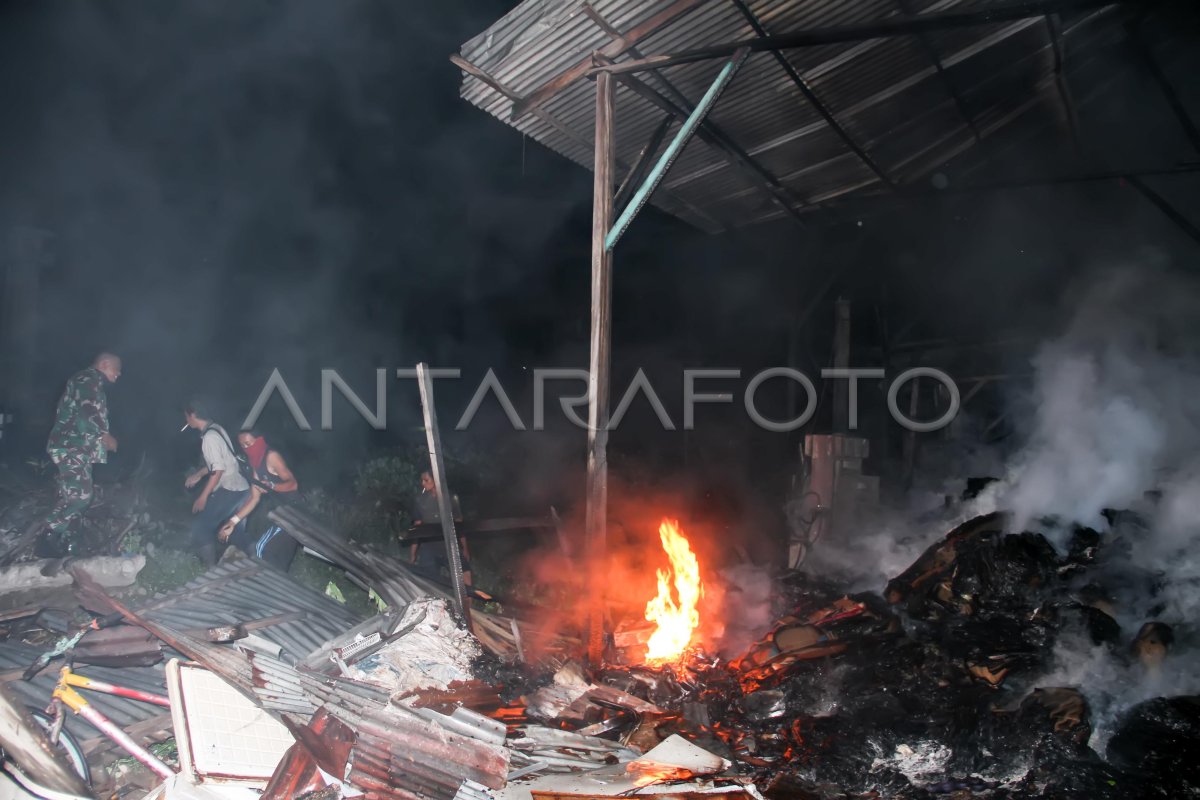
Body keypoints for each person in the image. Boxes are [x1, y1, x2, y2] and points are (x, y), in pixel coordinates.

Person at [39, 353, 122, 555]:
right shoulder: (87, 379)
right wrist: (105, 435)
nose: (119, 374)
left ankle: (67, 544)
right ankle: (48, 535)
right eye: (116, 369)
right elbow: (89, 408)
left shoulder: (93, 383)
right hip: (70, 445)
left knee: (74, 496)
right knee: (82, 496)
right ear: (104, 364)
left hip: (78, 448)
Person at [216, 430, 300, 571]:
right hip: (282, 512)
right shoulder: (256, 463)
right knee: (280, 559)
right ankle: (276, 587)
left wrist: (273, 486)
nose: (246, 448)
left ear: (259, 440)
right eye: (242, 445)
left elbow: (293, 484)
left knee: (262, 548)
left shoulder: (272, 456)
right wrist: (232, 522)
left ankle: (267, 584)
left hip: (294, 511)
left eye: (249, 443)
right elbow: (254, 499)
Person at [182, 401, 250, 565]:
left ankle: (211, 570)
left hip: (230, 489)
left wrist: (203, 497)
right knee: (236, 532)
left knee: (201, 527)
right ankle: (259, 561)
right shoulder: (217, 428)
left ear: (192, 415)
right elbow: (221, 462)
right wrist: (198, 474)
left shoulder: (209, 438)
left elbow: (218, 471)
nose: (185, 420)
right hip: (243, 488)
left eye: (186, 416)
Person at [410, 469, 472, 586]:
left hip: (449, 544)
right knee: (428, 582)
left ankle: (467, 604)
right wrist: (413, 554)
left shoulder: (451, 497)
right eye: (421, 480)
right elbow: (417, 529)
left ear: (436, 480)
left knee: (466, 576)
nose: (422, 483)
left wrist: (465, 548)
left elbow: (459, 524)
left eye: (426, 480)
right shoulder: (420, 500)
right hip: (429, 547)